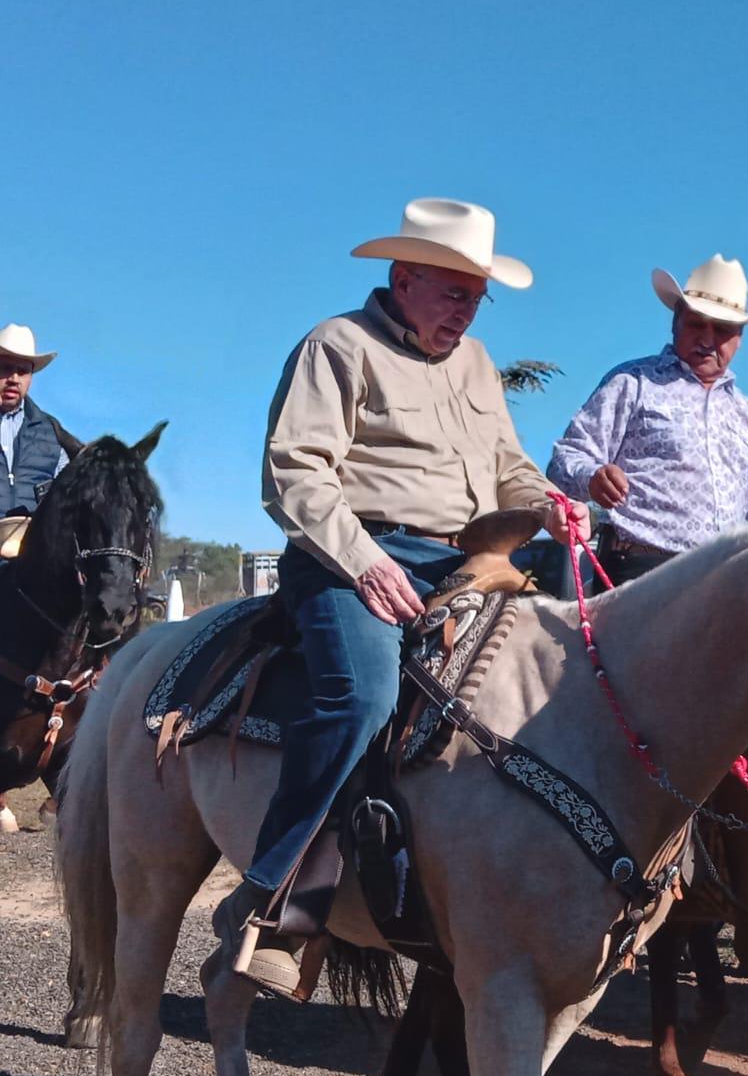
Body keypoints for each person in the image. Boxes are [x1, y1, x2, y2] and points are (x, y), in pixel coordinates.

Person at [215, 198, 590, 997]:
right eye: (454, 290)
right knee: (365, 693)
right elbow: (294, 472)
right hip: (350, 554)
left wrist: (549, 502)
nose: (468, 308)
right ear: (403, 277)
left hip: (462, 558)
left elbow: (507, 467)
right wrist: (361, 562)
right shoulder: (336, 345)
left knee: (567, 670)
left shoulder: (479, 364)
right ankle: (273, 900)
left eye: (477, 295)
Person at [547, 253, 748, 583]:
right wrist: (592, 477)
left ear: (739, 338)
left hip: (724, 580)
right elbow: (566, 459)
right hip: (642, 573)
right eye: (697, 324)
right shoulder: (634, 383)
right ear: (676, 322)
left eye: (723, 330)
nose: (708, 340)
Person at [0, 323, 73, 520]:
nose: (14, 379)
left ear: (31, 377)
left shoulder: (52, 434)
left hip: (33, 546)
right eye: (6, 369)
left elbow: (71, 495)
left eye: (23, 372)